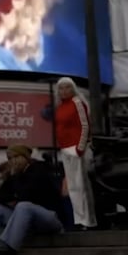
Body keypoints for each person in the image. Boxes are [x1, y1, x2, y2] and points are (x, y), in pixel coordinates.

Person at [0, 145, 63, 255]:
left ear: (25, 157)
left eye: (16, 157)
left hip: (49, 218)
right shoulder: (14, 175)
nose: (13, 161)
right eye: (10, 158)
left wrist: (14, 179)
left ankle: (9, 252)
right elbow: (0, 198)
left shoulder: (39, 169)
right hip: (27, 220)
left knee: (23, 205)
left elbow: (26, 195)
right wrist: (1, 182)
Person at [54, 77, 97, 229]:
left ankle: (87, 221)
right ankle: (79, 220)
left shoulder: (77, 103)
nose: (64, 91)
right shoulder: (60, 107)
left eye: (67, 88)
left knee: (81, 185)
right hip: (65, 149)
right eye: (61, 88)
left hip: (76, 148)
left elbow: (85, 125)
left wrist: (81, 147)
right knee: (72, 187)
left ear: (73, 89)